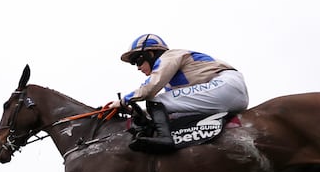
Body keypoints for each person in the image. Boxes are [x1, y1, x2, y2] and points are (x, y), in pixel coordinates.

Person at [105, 33, 249, 152]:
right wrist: (135, 112)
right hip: (228, 94)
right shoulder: (171, 83)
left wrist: (122, 101)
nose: (138, 67)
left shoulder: (168, 57)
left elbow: (150, 89)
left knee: (154, 100)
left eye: (137, 61)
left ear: (149, 54)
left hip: (226, 85)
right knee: (167, 110)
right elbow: (167, 110)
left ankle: (165, 139)